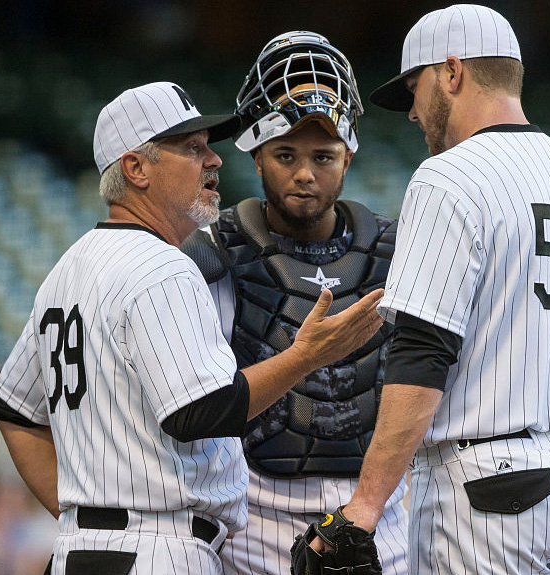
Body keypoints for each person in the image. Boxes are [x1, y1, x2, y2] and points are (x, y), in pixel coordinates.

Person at [0, 81, 384, 575]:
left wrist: (80, 521)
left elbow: (13, 410)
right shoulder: (161, 266)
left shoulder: (67, 268)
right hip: (160, 549)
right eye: (191, 149)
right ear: (135, 168)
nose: (213, 161)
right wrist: (306, 355)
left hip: (84, 551)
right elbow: (201, 411)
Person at [309, 5, 550, 575]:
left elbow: (423, 353)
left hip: (487, 492)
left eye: (414, 88)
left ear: (451, 72)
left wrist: (363, 509)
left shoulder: (450, 175)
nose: (413, 112)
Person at [179, 32, 407, 575]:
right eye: (285, 154)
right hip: (255, 512)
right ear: (257, 158)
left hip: (376, 508)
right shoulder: (213, 251)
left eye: (323, 156)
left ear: (348, 158)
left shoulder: (398, 250)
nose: (305, 173)